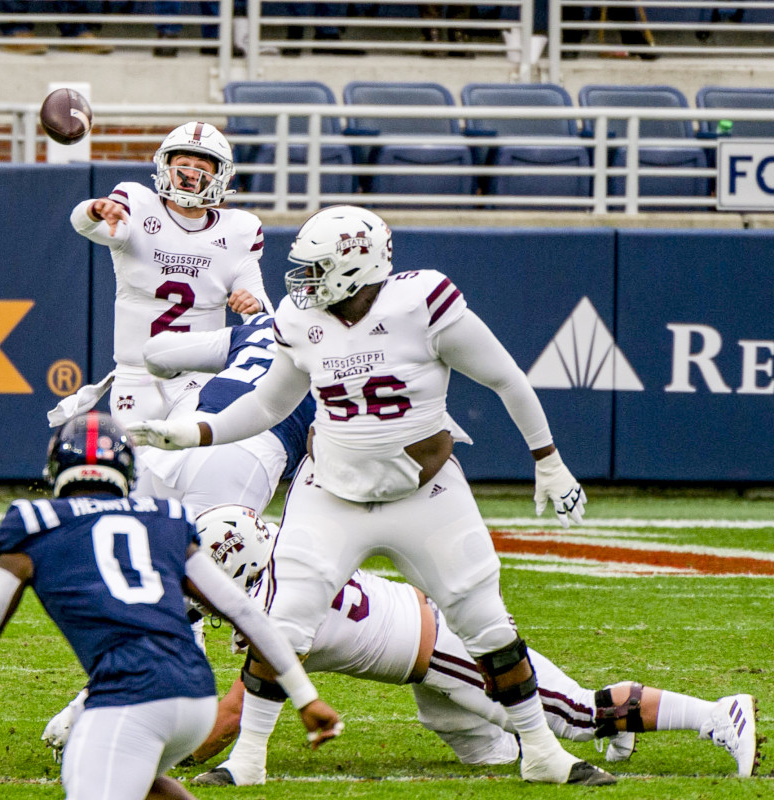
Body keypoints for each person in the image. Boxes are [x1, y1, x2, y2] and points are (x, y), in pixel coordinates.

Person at [128, 204, 614, 785]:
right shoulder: (301, 320)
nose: (302, 283)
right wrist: (195, 432)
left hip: (423, 493)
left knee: (486, 622)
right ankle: (248, 759)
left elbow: (506, 376)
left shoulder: (422, 304)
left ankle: (541, 751)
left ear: (355, 265)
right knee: (282, 621)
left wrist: (549, 462)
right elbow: (266, 405)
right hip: (331, 491)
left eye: (316, 269)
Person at [187, 507, 761, 784]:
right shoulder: (287, 567)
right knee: (488, 759)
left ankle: (718, 713)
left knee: (576, 716)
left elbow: (235, 714)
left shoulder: (276, 606)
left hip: (447, 649)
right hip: (418, 657)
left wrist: (164, 763)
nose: (195, 590)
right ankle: (622, 733)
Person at [0, 412, 342, 800]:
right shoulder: (165, 517)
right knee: (141, 782)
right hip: (196, 700)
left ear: (55, 467)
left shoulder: (33, 521)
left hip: (130, 697)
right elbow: (244, 612)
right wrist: (305, 697)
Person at [70, 121, 272, 427]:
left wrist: (253, 305)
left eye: (201, 166)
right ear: (166, 166)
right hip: (134, 375)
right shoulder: (136, 205)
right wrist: (95, 210)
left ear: (221, 176)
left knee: (184, 458)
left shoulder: (238, 232)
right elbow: (85, 224)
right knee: (138, 466)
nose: (190, 173)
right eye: (183, 164)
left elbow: (263, 318)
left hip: (196, 379)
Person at [134, 312, 313, 517]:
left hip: (179, 439)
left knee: (131, 542)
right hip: (248, 454)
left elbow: (156, 352)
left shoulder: (260, 326)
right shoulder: (341, 351)